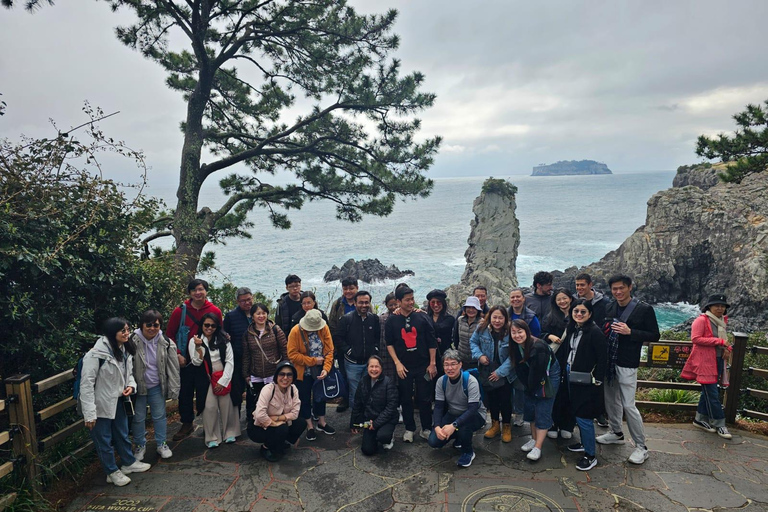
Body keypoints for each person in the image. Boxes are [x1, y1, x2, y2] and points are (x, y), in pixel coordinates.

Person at [597, 275, 660, 465]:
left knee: (628, 405)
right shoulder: (610, 306)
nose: (618, 292)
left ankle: (641, 447)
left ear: (630, 287)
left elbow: (655, 335)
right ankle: (615, 432)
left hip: (627, 362)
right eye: (614, 289)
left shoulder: (643, 309)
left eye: (621, 288)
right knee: (611, 399)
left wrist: (631, 332)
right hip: (609, 361)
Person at [80, 318, 150, 487]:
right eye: (123, 331)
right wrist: (89, 413)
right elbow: (86, 384)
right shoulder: (95, 355)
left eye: (128, 330)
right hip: (100, 404)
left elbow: (129, 375)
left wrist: (130, 387)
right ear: (112, 333)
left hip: (119, 399)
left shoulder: (124, 349)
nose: (127, 334)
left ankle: (128, 462)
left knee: (122, 433)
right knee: (104, 439)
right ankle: (111, 472)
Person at [166, 278, 223, 441]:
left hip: (206, 360)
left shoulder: (214, 311)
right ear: (190, 293)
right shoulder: (180, 311)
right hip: (185, 359)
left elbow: (220, 333)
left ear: (206, 291)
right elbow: (170, 334)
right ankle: (187, 423)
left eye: (201, 289)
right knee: (185, 392)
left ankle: (208, 423)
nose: (198, 293)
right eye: (194, 290)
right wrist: (177, 353)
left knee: (206, 392)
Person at [386, 285, 438, 442]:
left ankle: (426, 428)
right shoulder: (392, 320)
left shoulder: (422, 317)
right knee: (406, 398)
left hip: (422, 365)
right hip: (404, 366)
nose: (411, 302)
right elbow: (389, 344)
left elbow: (431, 342)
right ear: (398, 301)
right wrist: (397, 363)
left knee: (424, 398)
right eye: (407, 300)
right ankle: (409, 428)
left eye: (412, 299)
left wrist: (432, 363)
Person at [562, 299, 607, 471]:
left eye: (583, 312)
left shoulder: (595, 332)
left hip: (587, 378)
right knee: (576, 410)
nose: (579, 314)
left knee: (584, 415)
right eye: (576, 311)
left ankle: (590, 455)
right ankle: (583, 443)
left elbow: (603, 358)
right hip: (571, 373)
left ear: (590, 314)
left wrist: (598, 380)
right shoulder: (572, 329)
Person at [680, 294, 733, 439]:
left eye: (722, 306)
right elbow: (695, 339)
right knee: (713, 393)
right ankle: (720, 424)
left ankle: (699, 419)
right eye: (717, 305)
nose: (720, 308)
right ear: (709, 307)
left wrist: (727, 349)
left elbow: (725, 342)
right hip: (704, 362)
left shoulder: (721, 321)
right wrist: (719, 342)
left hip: (717, 361)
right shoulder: (701, 320)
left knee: (708, 392)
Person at [130, 310, 181, 461]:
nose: (152, 328)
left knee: (159, 416)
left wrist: (174, 387)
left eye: (156, 325)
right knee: (138, 418)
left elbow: (173, 366)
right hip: (138, 387)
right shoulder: (132, 340)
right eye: (149, 325)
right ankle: (140, 445)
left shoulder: (165, 341)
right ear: (142, 325)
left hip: (157, 385)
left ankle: (161, 444)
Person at [510, 319, 560, 462]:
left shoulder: (538, 347)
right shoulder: (515, 346)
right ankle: (533, 439)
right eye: (513, 332)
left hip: (548, 375)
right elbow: (519, 368)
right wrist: (528, 388)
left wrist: (530, 389)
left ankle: (538, 446)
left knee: (543, 406)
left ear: (527, 331)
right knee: (530, 406)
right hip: (531, 375)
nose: (517, 335)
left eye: (520, 332)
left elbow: (537, 374)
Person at [427, 349, 487, 468]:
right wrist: (437, 427)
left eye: (453, 364)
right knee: (434, 441)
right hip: (453, 413)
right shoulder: (441, 381)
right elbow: (438, 406)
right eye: (446, 364)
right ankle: (459, 437)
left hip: (474, 415)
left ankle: (468, 452)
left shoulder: (470, 381)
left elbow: (473, 408)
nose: (450, 368)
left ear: (460, 364)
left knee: (464, 426)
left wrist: (454, 425)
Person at [188, 313, 239, 448]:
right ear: (202, 325)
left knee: (226, 404)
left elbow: (230, 361)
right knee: (209, 406)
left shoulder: (223, 340)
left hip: (223, 373)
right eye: (206, 325)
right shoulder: (195, 340)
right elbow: (196, 362)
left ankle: (229, 432)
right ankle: (211, 436)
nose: (209, 328)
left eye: (213, 325)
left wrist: (223, 381)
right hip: (206, 376)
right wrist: (199, 347)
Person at [287, 309, 336, 441]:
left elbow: (329, 350)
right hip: (303, 372)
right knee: (304, 397)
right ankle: (309, 425)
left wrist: (326, 368)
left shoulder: (324, 328)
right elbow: (292, 354)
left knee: (321, 396)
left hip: (320, 370)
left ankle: (321, 422)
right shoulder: (295, 331)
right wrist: (313, 361)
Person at [469, 306, 513, 442]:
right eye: (495, 317)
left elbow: (514, 355)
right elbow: (473, 342)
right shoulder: (482, 328)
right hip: (487, 370)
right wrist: (479, 355)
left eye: (500, 317)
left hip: (506, 372)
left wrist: (500, 373)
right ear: (490, 317)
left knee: (505, 400)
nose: (497, 320)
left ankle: (506, 426)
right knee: (492, 398)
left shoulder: (510, 331)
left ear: (505, 319)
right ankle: (495, 425)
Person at [247, 361, 305, 462]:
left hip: (278, 421)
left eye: (289, 375)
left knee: (301, 422)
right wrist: (276, 423)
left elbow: (295, 413)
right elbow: (260, 415)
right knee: (282, 428)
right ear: (276, 376)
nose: (285, 378)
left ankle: (279, 442)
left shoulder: (293, 389)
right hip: (259, 426)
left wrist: (279, 418)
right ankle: (266, 447)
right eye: (282, 374)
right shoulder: (268, 389)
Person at [241, 303, 288, 426]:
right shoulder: (248, 334)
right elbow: (246, 355)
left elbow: (285, 351)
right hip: (255, 374)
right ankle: (257, 427)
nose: (261, 316)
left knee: (275, 404)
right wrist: (246, 374)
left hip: (273, 374)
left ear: (267, 315)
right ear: (252, 316)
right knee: (256, 403)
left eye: (263, 313)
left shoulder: (275, 330)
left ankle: (277, 428)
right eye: (258, 313)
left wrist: (286, 372)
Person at [335, 290, 381, 415]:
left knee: (369, 391)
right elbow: (338, 338)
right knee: (355, 393)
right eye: (361, 302)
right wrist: (349, 351)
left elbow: (378, 337)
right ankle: (355, 419)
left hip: (369, 364)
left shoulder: (374, 319)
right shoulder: (346, 319)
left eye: (366, 302)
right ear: (355, 303)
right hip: (352, 364)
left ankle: (368, 418)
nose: (364, 305)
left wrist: (375, 350)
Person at [541, 288, 576, 440]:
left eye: (564, 298)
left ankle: (568, 425)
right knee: (554, 391)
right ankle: (553, 423)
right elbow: (540, 335)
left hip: (573, 359)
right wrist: (550, 336)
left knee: (570, 392)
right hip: (555, 360)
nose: (562, 302)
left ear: (570, 298)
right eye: (558, 299)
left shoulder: (578, 314)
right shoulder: (551, 317)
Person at [351, 355, 399, 455]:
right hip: (370, 420)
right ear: (367, 368)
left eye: (376, 366)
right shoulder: (363, 381)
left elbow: (391, 407)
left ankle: (389, 437)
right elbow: (357, 403)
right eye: (371, 366)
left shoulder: (388, 382)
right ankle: (374, 437)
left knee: (383, 436)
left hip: (387, 419)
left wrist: (376, 423)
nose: (374, 369)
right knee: (367, 450)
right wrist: (353, 422)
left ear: (381, 368)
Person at [507, 288, 540, 426]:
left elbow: (537, 336)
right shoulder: (506, 314)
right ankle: (510, 413)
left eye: (518, 297)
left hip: (525, 356)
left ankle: (521, 414)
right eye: (512, 297)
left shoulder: (531, 316)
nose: (515, 299)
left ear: (523, 298)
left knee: (521, 387)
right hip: (508, 355)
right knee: (508, 388)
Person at [328, 277, 359, 413]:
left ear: (356, 288)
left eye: (351, 288)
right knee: (344, 373)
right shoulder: (337, 304)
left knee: (360, 375)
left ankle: (359, 401)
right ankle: (345, 398)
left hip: (358, 345)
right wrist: (338, 344)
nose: (348, 291)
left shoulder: (362, 302)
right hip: (341, 345)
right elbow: (332, 325)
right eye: (345, 288)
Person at [223, 287, 253, 423]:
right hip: (237, 359)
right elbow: (224, 334)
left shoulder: (258, 312)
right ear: (237, 301)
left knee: (254, 390)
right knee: (236, 390)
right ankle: (234, 422)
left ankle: (252, 416)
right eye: (243, 301)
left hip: (255, 360)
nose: (246, 303)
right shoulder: (231, 316)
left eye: (248, 299)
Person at [425, 289, 456, 367]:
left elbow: (439, 327)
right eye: (433, 302)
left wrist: (422, 315)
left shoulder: (449, 319)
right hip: (428, 355)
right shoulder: (426, 317)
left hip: (444, 355)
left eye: (438, 302)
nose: (435, 305)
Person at [453, 296, 483, 369]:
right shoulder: (460, 320)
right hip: (461, 359)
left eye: (474, 308)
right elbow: (456, 337)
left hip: (476, 361)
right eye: (468, 307)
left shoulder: (482, 323)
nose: (471, 310)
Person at [378, 293, 399, 380]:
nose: (393, 307)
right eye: (390, 305)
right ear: (386, 305)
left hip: (399, 353)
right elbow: (381, 337)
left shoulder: (402, 317)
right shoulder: (382, 318)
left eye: (395, 304)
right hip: (385, 354)